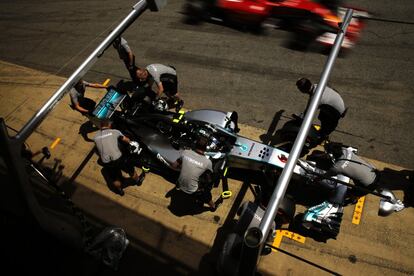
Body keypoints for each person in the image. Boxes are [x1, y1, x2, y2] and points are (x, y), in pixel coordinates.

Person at [302, 142, 379, 232]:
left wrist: (313, 180)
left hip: (368, 185)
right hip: (374, 172)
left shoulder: (338, 167)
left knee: (352, 194)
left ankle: (353, 198)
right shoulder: (346, 150)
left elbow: (325, 176)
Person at [94, 119, 145, 195]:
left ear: (101, 126)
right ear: (109, 125)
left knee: (115, 177)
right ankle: (137, 181)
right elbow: (126, 140)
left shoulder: (95, 136)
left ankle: (119, 190)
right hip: (119, 159)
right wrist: (130, 142)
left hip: (107, 162)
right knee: (131, 170)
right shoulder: (115, 132)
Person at [170, 136, 216, 210]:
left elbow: (174, 165)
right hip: (192, 190)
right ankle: (212, 206)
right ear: (206, 148)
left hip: (179, 184)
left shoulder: (185, 152)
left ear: (195, 145)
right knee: (207, 190)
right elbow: (208, 180)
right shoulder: (207, 162)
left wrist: (186, 166)